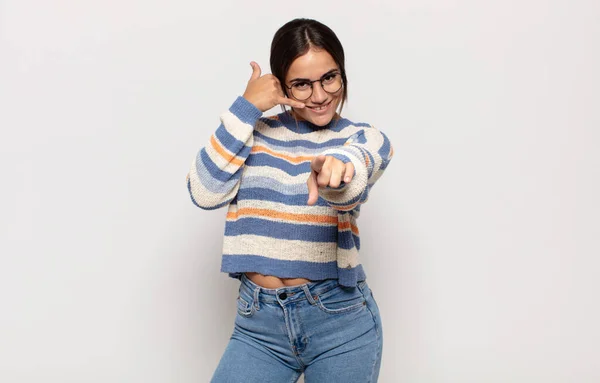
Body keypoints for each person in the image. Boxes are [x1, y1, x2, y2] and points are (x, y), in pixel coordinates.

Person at [186, 18, 393, 382]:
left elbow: (353, 179)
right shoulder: (252, 134)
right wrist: (245, 109)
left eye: (330, 77)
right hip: (258, 329)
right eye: (301, 84)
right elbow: (203, 192)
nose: (319, 95)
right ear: (281, 85)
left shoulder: (362, 137)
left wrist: (335, 172)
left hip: (340, 324)